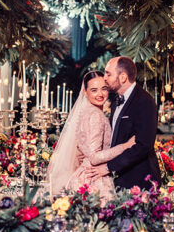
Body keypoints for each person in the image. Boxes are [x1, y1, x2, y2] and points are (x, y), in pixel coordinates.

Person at [47, 70, 136, 200]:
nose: (100, 94)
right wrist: (125, 146)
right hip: (93, 179)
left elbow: (83, 148)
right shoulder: (95, 115)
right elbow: (94, 157)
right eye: (94, 90)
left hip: (85, 174)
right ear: (85, 92)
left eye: (104, 89)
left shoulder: (86, 112)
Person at [84, 56, 161, 190]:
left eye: (108, 74)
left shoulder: (144, 102)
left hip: (139, 178)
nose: (105, 78)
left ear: (123, 77)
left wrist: (108, 167)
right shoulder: (115, 101)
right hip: (118, 177)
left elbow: (143, 146)